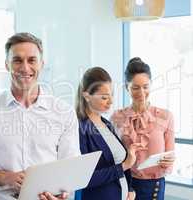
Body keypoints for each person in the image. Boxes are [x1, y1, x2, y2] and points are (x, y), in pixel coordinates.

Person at [0, 32, 80, 200]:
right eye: (17, 60)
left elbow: (71, 166)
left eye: (31, 60)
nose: (25, 67)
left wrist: (63, 194)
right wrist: (6, 178)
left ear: (41, 64)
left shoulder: (63, 112)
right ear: (7, 65)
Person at [75, 67, 146, 200]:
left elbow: (118, 164)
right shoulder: (79, 129)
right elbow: (85, 178)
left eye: (111, 95)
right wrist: (124, 165)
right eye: (104, 97)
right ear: (87, 96)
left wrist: (130, 189)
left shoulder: (106, 124)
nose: (111, 101)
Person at [111, 57, 175, 200]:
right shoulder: (117, 117)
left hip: (154, 186)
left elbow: (170, 154)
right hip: (126, 184)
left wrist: (169, 161)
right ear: (127, 87)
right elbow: (113, 156)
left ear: (151, 85)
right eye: (135, 87)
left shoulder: (166, 116)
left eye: (145, 86)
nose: (141, 92)